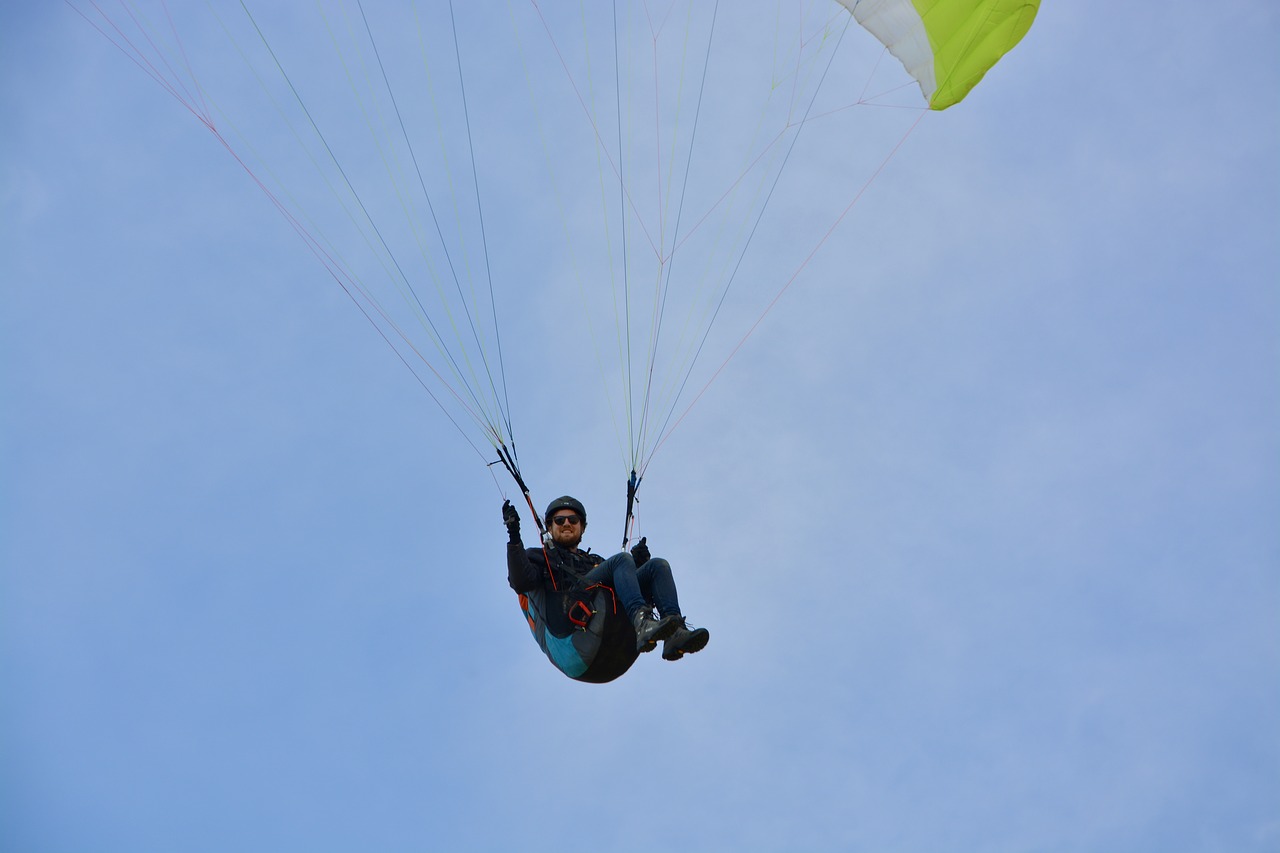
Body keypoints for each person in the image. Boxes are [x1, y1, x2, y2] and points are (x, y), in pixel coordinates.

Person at [504, 495, 710, 663]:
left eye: (573, 520)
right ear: (550, 527)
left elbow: (619, 586)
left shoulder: (594, 561)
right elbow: (521, 582)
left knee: (657, 566)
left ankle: (675, 636)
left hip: (607, 630)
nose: (567, 524)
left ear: (582, 528)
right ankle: (642, 622)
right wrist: (514, 536)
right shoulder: (539, 556)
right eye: (559, 520)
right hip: (571, 628)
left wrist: (638, 565)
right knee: (621, 560)